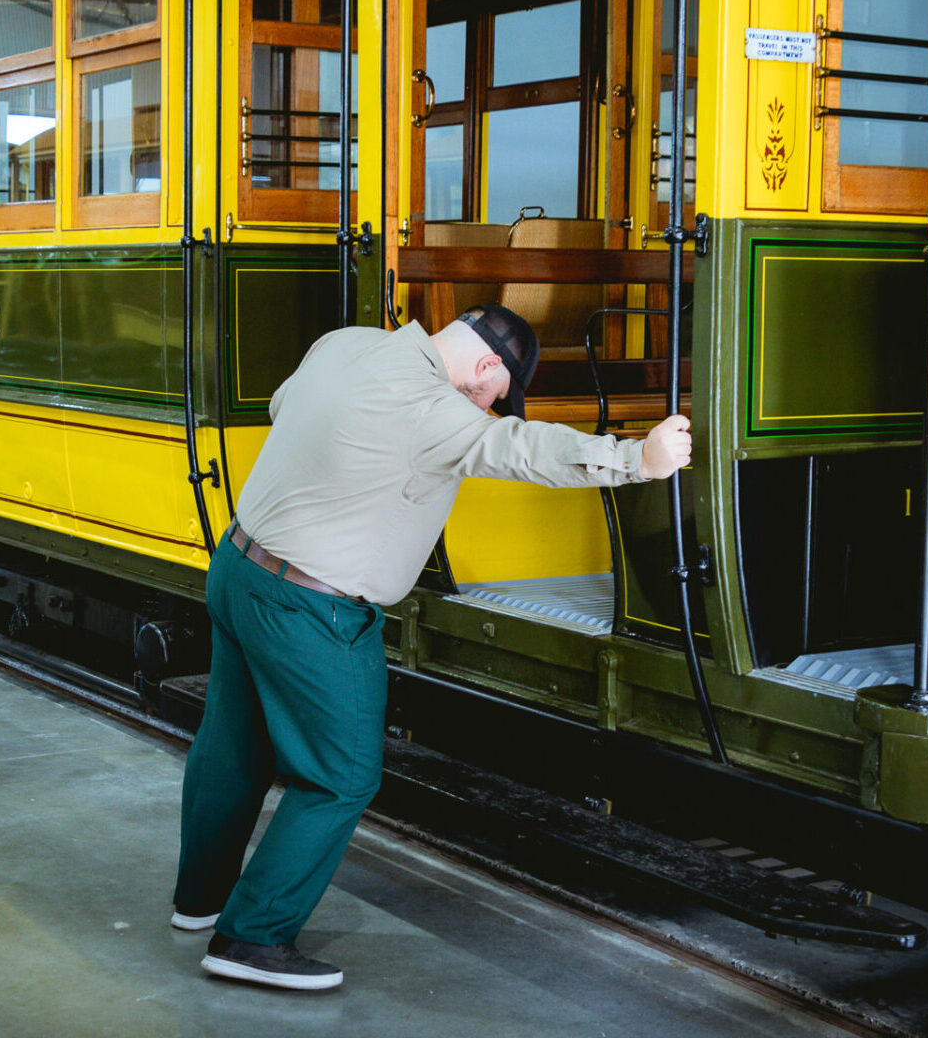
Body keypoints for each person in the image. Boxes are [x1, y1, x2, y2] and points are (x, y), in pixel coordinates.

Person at [171, 304, 692, 991]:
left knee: (232, 747)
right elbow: (520, 450)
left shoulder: (344, 342)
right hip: (311, 609)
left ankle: (198, 902)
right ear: (485, 368)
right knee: (340, 777)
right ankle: (251, 937)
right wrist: (639, 459)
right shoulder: (434, 410)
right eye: (494, 395)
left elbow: (282, 404)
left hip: (236, 568)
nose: (488, 408)